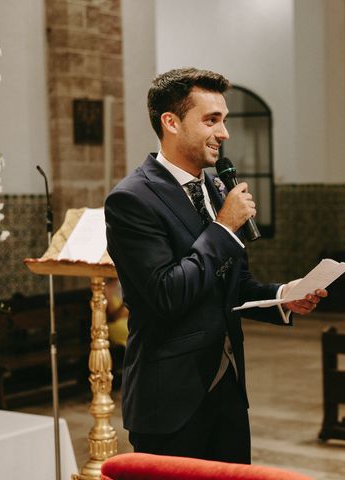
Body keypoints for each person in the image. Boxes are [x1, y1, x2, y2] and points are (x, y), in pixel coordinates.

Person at [104, 67, 327, 464]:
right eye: (211, 120)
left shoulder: (213, 187)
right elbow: (167, 294)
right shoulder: (132, 199)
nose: (224, 134)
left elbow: (234, 284)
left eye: (224, 120)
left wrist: (281, 298)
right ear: (170, 122)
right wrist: (224, 226)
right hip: (169, 399)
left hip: (228, 388)